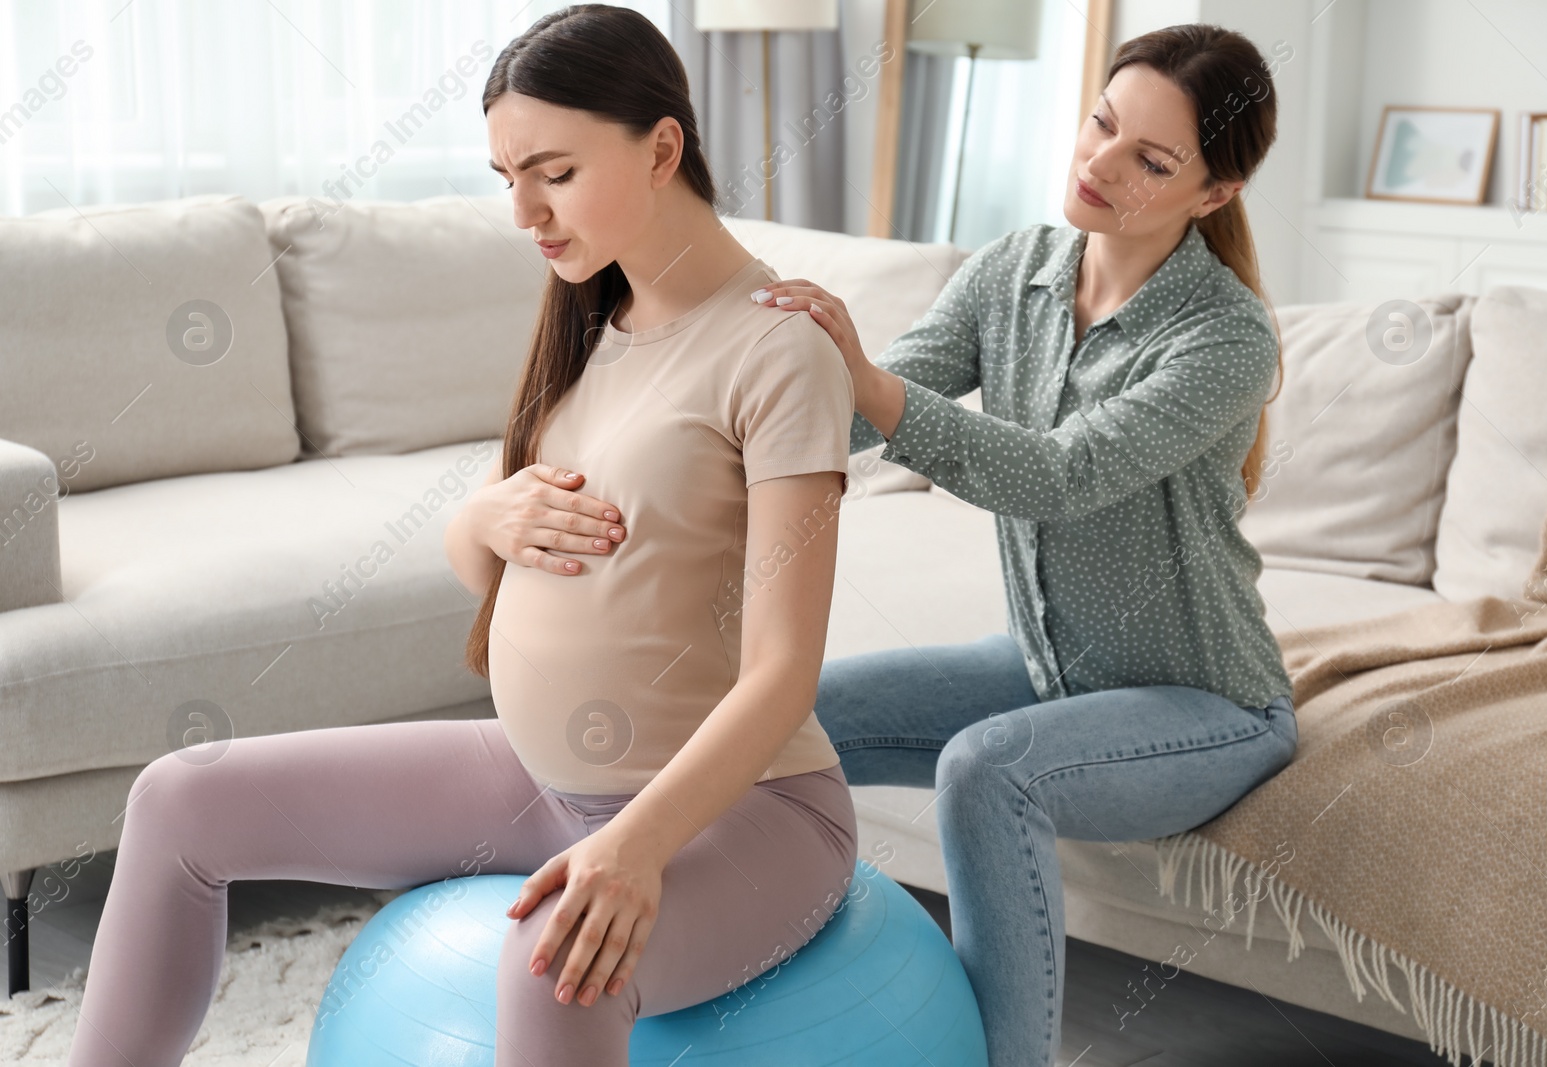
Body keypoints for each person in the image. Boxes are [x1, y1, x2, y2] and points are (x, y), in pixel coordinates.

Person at [66, 6, 860, 1066]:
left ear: (661, 146)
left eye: (552, 172)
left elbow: (782, 673)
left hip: (739, 815)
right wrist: (476, 515)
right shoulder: (591, 325)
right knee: (179, 798)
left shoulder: (777, 347)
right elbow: (487, 559)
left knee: (558, 955)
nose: (524, 209)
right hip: (541, 777)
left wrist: (635, 844)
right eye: (503, 177)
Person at [509, 22, 1301, 1067]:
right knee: (788, 719)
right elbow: (843, 412)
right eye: (1101, 123)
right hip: (1040, 666)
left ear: (1211, 195)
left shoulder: (1223, 336)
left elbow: (1055, 475)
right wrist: (739, 376)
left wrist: (870, 385)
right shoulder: (1017, 266)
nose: (1099, 163)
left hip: (1206, 702)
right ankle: (686, 962)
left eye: (1149, 160)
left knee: (986, 769)